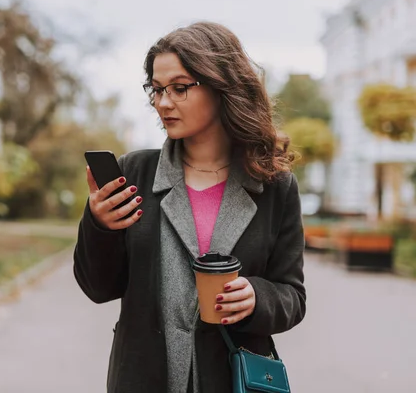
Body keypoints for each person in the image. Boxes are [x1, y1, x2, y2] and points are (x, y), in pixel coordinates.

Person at [73, 21, 306, 393]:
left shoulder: (274, 185)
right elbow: (98, 287)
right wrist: (100, 225)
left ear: (221, 86)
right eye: (156, 89)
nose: (163, 103)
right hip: (144, 377)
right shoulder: (134, 172)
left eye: (179, 89)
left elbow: (292, 296)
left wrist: (256, 297)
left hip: (233, 379)